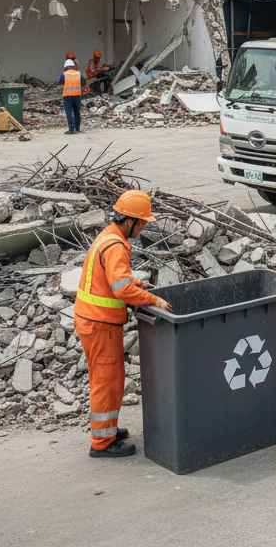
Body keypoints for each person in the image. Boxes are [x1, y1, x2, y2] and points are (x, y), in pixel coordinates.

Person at [74, 190, 172, 458]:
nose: (142, 228)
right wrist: (153, 299)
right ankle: (102, 443)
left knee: (109, 378)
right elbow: (121, 289)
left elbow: (114, 278)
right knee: (106, 381)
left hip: (93, 320)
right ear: (130, 221)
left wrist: (138, 284)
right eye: (142, 223)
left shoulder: (109, 236)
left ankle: (107, 430)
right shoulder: (116, 245)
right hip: (100, 323)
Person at [57, 58, 85, 134]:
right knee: (77, 112)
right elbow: (84, 82)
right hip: (77, 95)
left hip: (67, 95)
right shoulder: (78, 74)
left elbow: (58, 82)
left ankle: (71, 129)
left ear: (65, 67)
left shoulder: (64, 74)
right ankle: (77, 128)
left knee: (69, 112)